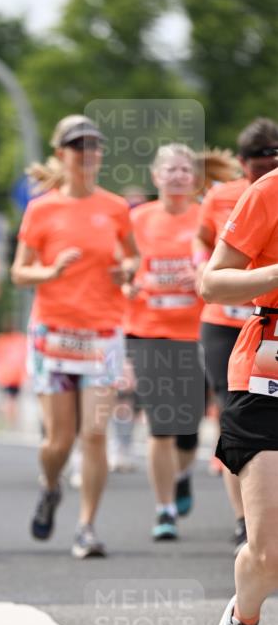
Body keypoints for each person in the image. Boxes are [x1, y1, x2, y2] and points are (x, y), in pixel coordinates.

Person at [11, 114, 139, 558]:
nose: (87, 154)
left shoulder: (115, 207)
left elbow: (132, 261)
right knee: (58, 441)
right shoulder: (42, 208)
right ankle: (50, 486)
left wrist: (127, 273)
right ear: (61, 154)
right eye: (77, 146)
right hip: (54, 335)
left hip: (102, 333)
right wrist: (49, 270)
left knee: (95, 435)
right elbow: (18, 272)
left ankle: (87, 527)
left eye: (93, 146)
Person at [197, 164, 278, 625]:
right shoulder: (269, 191)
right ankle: (241, 619)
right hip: (268, 371)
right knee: (269, 551)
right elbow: (212, 282)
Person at [195, 119, 278, 554]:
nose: (269, 161)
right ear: (244, 163)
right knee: (232, 414)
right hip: (247, 329)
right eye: (262, 156)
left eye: (275, 154)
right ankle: (246, 519)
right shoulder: (241, 194)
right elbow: (207, 262)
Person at [124, 143, 205, 540]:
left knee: (188, 428)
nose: (176, 176)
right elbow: (119, 267)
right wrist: (134, 281)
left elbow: (227, 263)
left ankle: (184, 473)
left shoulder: (208, 218)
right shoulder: (138, 219)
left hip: (197, 331)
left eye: (184, 170)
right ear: (156, 177)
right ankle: (164, 508)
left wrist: (202, 277)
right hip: (148, 330)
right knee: (161, 425)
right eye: (169, 170)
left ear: (194, 178)